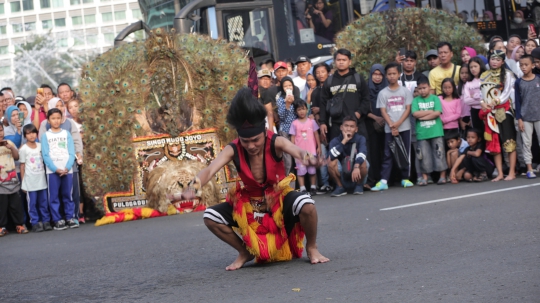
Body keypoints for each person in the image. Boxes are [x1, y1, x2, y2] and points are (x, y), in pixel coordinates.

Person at [169, 88, 328, 270]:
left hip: (279, 200)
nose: (251, 146)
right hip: (250, 203)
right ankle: (245, 252)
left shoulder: (276, 141)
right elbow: (209, 170)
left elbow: (299, 152)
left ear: (264, 132)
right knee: (210, 216)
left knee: (306, 204)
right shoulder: (233, 148)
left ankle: (312, 247)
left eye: (255, 140)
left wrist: (312, 159)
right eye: (246, 141)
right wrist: (192, 188)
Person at [371, 62, 414, 191]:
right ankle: (384, 180)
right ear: (386, 76)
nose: (391, 76)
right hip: (389, 129)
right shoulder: (383, 93)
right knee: (387, 153)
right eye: (389, 74)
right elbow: (383, 111)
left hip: (404, 127)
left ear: (399, 74)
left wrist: (398, 123)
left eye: (394, 73)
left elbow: (408, 109)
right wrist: (391, 125)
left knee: (405, 153)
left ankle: (405, 178)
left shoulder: (405, 91)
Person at [479, 50, 517, 182]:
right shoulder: (484, 75)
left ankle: (512, 171)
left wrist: (496, 101)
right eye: (492, 59)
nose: (494, 62)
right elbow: (481, 92)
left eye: (497, 59)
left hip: (504, 111)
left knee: (509, 141)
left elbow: (506, 92)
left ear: (502, 61)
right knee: (495, 142)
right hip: (490, 113)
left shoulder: (508, 74)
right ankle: (500, 173)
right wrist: (483, 103)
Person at [320, 48, 370, 143]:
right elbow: (323, 103)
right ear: (335, 62)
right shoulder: (329, 81)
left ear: (349, 62)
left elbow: (366, 99)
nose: (341, 62)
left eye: (344, 60)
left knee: (360, 155)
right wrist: (323, 122)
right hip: (337, 126)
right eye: (339, 60)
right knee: (336, 155)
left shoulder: (358, 79)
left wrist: (358, 114)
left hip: (356, 125)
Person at [41, 108, 78, 230]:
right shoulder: (46, 135)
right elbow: (45, 155)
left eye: (58, 118)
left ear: (62, 119)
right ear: (48, 120)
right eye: (53, 118)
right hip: (52, 172)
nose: (56, 121)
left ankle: (70, 217)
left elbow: (72, 152)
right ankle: (57, 220)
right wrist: (55, 169)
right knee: (54, 197)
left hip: (67, 170)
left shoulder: (66, 134)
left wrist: (67, 167)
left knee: (68, 195)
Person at [411, 75, 447, 186]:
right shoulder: (415, 100)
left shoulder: (435, 98)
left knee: (439, 153)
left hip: (436, 131)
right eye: (420, 89)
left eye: (424, 88)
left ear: (429, 87)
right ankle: (425, 178)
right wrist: (430, 112)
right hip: (422, 133)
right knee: (423, 156)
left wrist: (423, 117)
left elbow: (437, 113)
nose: (422, 91)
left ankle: (442, 176)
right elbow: (415, 114)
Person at [19, 124, 50, 232]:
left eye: (33, 132)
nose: (31, 135)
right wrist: (23, 182)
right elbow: (22, 166)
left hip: (41, 180)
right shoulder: (23, 149)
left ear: (36, 133)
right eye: (28, 133)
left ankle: (46, 221)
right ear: (25, 136)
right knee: (32, 203)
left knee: (43, 202)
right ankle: (35, 222)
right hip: (30, 181)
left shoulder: (41, 146)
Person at [328, 116, 369, 196]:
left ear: (356, 129)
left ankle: (359, 186)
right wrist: (344, 141)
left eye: (352, 127)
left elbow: (362, 153)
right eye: (346, 126)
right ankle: (340, 187)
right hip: (342, 175)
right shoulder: (335, 141)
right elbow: (331, 156)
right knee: (331, 162)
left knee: (363, 161)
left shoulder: (361, 139)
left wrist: (356, 166)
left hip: (357, 174)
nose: (349, 129)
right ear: (341, 127)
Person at [0, 122, 28, 237]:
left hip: (13, 181)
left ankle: (20, 224)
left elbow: (16, 157)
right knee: (1, 206)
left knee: (16, 205)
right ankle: (2, 227)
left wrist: (11, 148)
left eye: (1, 130)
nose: (0, 133)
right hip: (1, 183)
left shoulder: (9, 142)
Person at [515, 54, 540, 179]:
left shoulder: (538, 79)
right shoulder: (519, 82)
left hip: (539, 116)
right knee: (526, 143)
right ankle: (529, 168)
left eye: (526, 65)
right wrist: (519, 118)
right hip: (525, 117)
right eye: (521, 65)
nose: (523, 67)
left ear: (533, 65)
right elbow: (518, 102)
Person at [289, 99, 321, 195]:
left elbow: (316, 134)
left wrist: (318, 146)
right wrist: (292, 150)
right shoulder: (294, 123)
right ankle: (302, 188)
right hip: (299, 153)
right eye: (299, 110)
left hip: (311, 151)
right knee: (300, 171)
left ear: (307, 109)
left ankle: (313, 187)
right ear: (295, 111)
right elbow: (293, 137)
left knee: (312, 170)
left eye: (303, 109)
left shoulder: (312, 122)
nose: (301, 111)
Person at [310, 62, 332, 194]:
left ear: (328, 72)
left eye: (323, 71)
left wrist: (323, 108)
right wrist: (320, 128)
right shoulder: (315, 92)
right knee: (323, 156)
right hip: (321, 128)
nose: (320, 75)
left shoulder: (333, 88)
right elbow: (314, 112)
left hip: (334, 125)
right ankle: (325, 183)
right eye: (317, 72)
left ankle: (337, 181)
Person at [365, 64, 388, 188]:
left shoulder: (387, 88)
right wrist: (375, 118)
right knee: (373, 152)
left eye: (380, 75)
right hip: (371, 124)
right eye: (375, 74)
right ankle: (373, 178)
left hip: (388, 123)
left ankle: (386, 177)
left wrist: (384, 118)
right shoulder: (366, 89)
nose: (377, 77)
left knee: (386, 151)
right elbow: (363, 106)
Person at [261, 61, 300, 131]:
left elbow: (298, 105)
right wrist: (275, 116)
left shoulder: (295, 88)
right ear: (274, 73)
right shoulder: (271, 90)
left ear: (287, 71)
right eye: (278, 71)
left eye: (283, 70)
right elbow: (271, 108)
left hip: (295, 122)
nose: (281, 73)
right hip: (279, 124)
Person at [463, 57, 487, 131]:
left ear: (480, 66)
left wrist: (475, 96)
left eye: (475, 66)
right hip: (474, 112)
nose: (473, 69)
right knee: (478, 132)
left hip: (486, 109)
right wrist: (481, 99)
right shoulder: (468, 83)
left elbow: (488, 97)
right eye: (471, 67)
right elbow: (466, 101)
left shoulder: (486, 79)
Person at [457, 65, 471, 135]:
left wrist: (471, 120)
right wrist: (460, 121)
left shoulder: (473, 86)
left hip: (471, 116)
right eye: (462, 73)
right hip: (461, 118)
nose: (464, 75)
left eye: (466, 73)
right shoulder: (457, 88)